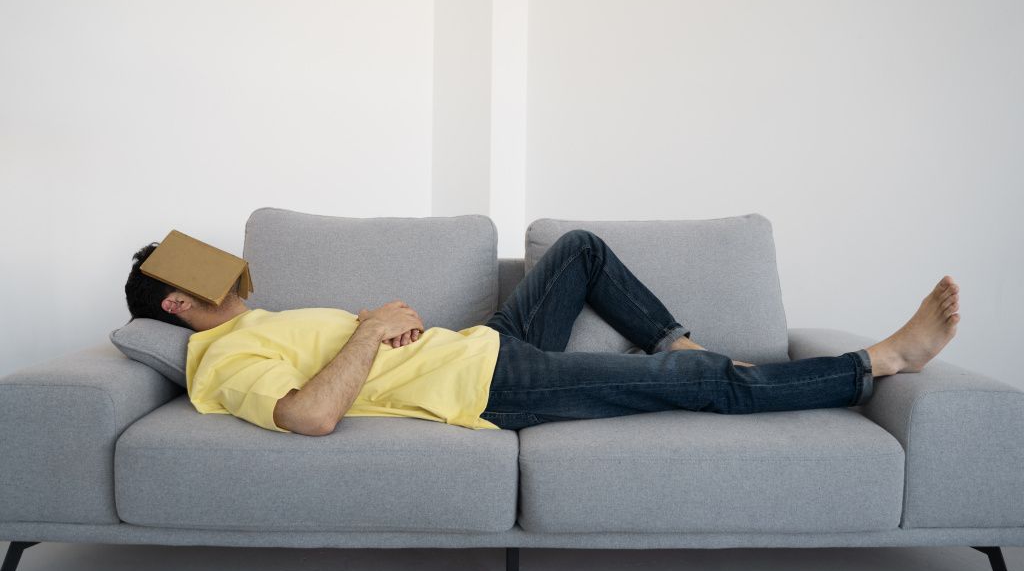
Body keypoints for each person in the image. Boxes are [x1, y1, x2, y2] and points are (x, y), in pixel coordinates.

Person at [124, 230, 960, 435]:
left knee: (579, 250)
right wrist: (371, 329)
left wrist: (381, 330)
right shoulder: (221, 357)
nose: (228, 272)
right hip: (490, 386)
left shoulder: (256, 320)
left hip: (483, 343)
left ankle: (675, 340)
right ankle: (878, 360)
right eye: (200, 275)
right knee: (702, 386)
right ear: (177, 305)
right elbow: (310, 415)